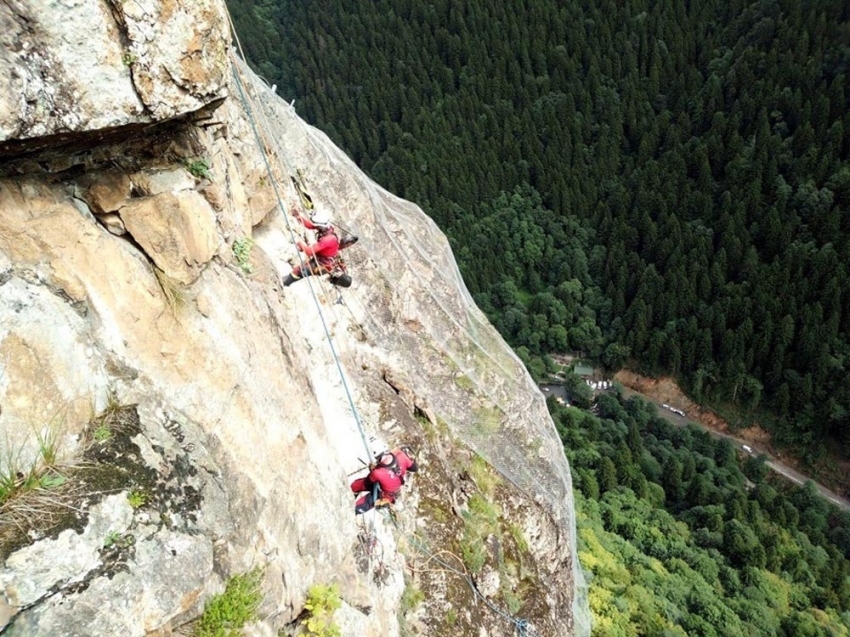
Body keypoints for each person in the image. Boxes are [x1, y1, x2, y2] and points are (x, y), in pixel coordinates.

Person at [282, 206, 341, 286]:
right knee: (301, 269)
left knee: (299, 271)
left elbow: (309, 252)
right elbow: (311, 225)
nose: (316, 227)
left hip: (322, 264)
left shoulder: (328, 239)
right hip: (322, 259)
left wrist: (299, 243)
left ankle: (284, 283)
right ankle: (286, 280)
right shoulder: (327, 228)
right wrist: (298, 217)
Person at [350, 446, 418, 514]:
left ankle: (352, 494)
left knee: (356, 506)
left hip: (386, 495)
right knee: (358, 488)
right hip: (394, 491)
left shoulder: (377, 473)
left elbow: (367, 482)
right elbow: (414, 468)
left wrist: (373, 470)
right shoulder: (400, 454)